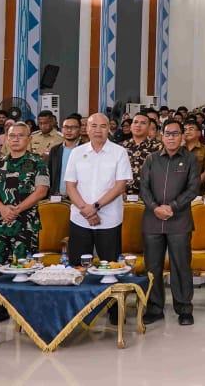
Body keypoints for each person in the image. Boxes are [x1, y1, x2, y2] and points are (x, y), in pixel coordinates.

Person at [64, 113, 132, 322]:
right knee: (78, 266)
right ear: (87, 128)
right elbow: (70, 186)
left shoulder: (119, 152)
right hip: (80, 218)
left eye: (103, 126)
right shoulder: (77, 152)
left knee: (110, 266)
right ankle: (78, 311)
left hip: (109, 219)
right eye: (94, 126)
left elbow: (120, 185)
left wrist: (95, 207)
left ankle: (114, 310)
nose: (98, 130)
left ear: (109, 129)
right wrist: (85, 210)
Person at [0, 122, 49, 325]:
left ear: (29, 139)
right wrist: (3, 209)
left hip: (25, 224)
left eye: (21, 135)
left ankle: (25, 310)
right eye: (12, 136)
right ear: (7, 139)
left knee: (25, 267)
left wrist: (17, 210)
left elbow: (41, 191)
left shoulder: (37, 163)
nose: (16, 139)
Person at [140, 118, 201, 326]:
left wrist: (172, 207)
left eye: (175, 134)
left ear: (182, 136)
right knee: (153, 267)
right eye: (167, 134)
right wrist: (155, 207)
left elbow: (193, 189)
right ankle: (154, 307)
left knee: (181, 265)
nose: (171, 138)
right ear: (161, 136)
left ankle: (184, 308)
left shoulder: (191, 159)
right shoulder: (151, 159)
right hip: (152, 220)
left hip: (179, 221)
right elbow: (144, 188)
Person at [121, 111, 162, 195]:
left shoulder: (158, 147)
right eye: (135, 122)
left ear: (149, 128)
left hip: (148, 195)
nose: (138, 125)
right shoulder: (121, 146)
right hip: (123, 195)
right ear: (131, 127)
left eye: (143, 123)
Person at [48, 114, 83, 195]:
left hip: (80, 196)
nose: (69, 130)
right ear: (62, 129)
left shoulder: (85, 150)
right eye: (66, 127)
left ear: (80, 129)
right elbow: (50, 174)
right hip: (58, 196)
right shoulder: (55, 150)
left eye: (73, 127)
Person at [181, 119, 205, 195]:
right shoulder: (178, 149)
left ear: (199, 133)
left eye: (191, 129)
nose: (187, 132)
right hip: (179, 192)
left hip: (199, 192)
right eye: (185, 130)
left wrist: (191, 187)